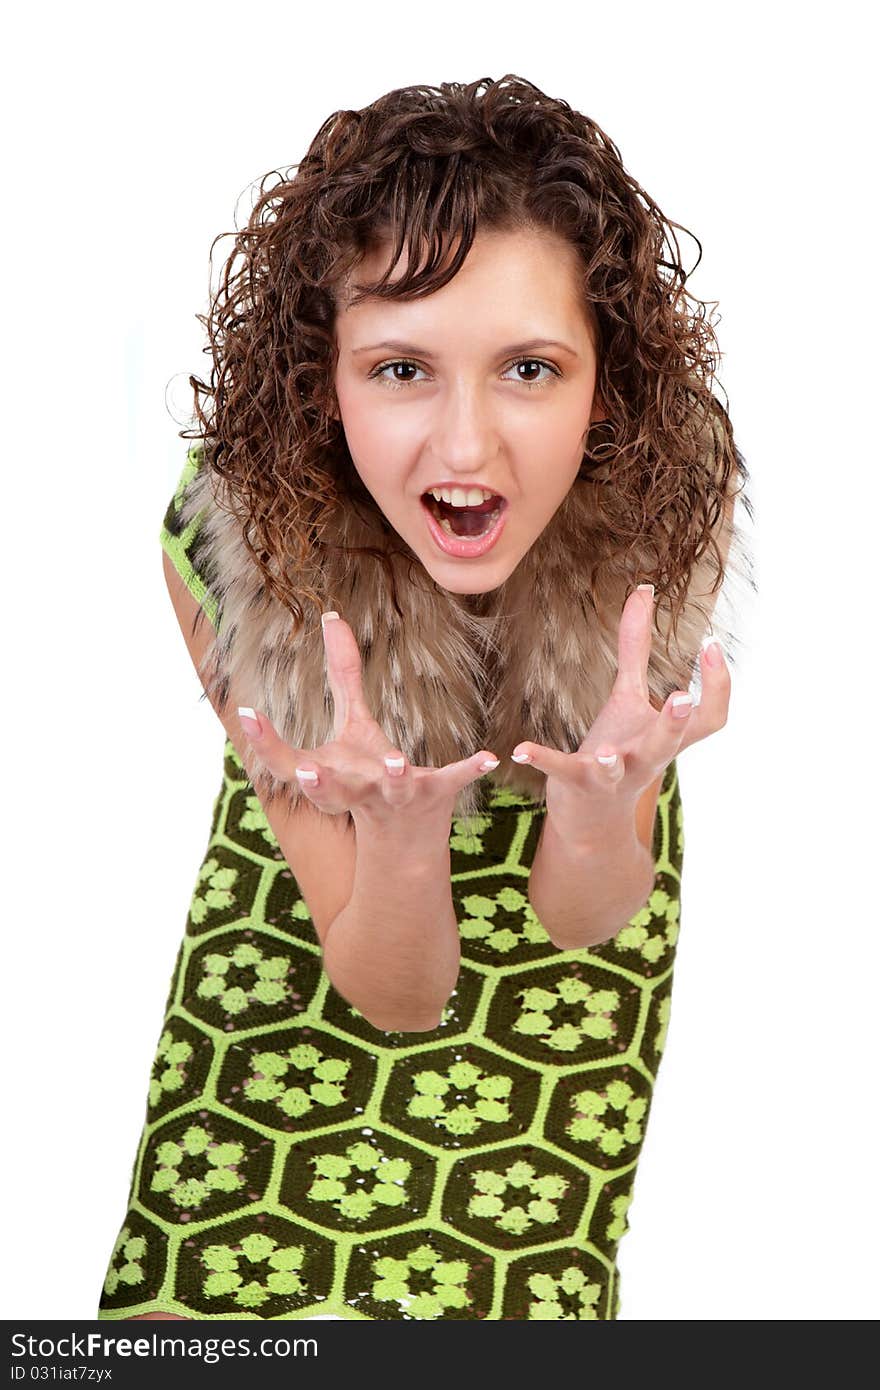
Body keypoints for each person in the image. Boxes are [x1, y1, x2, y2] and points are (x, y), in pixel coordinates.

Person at [97, 74, 755, 1322]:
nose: (464, 451)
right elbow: (393, 986)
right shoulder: (239, 534)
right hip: (300, 1009)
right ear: (317, 381)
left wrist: (605, 801)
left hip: (547, 1078)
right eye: (400, 367)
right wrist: (396, 839)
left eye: (528, 367)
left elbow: (587, 919)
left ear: (606, 385)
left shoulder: (660, 507)